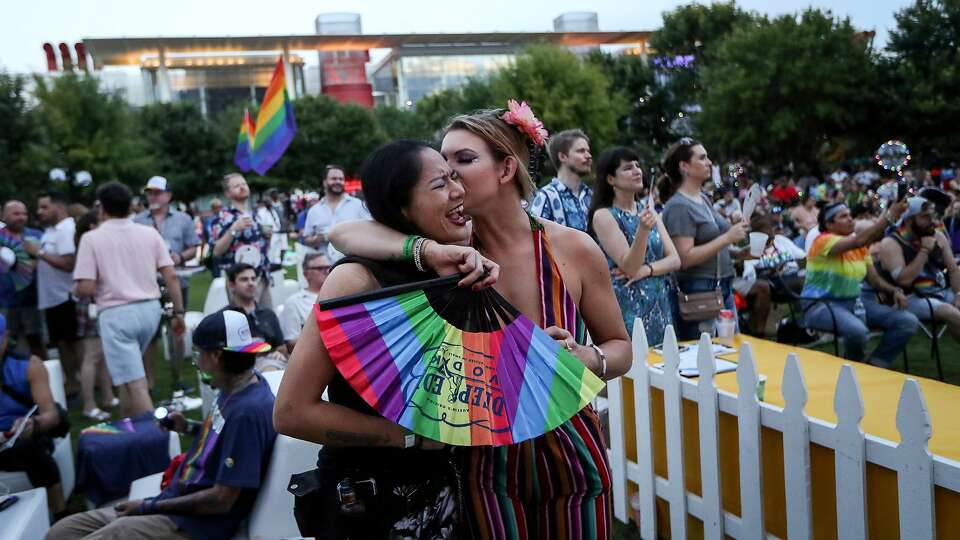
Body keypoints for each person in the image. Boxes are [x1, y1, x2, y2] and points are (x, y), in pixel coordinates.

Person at [323, 107, 632, 538]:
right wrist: (428, 253)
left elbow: (621, 347)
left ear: (507, 167)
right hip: (485, 459)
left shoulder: (573, 248)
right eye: (443, 165)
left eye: (462, 161)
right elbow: (344, 234)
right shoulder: (449, 252)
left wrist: (589, 358)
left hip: (573, 447)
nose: (449, 176)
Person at [47, 309, 277, 540]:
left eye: (199, 355)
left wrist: (148, 507)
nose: (197, 364)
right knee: (62, 531)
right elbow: (226, 437)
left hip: (193, 525)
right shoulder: (241, 382)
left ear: (217, 356)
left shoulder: (247, 412)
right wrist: (186, 426)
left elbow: (222, 500)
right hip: (173, 502)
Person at [73, 182, 185, 417]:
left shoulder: (92, 239)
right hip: (150, 311)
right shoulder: (149, 232)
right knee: (126, 378)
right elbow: (171, 276)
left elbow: (86, 286)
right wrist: (178, 312)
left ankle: (156, 440)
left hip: (117, 314)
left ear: (102, 208)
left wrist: (76, 289)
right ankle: (130, 428)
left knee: (135, 383)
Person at [802, 200, 918, 367]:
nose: (850, 219)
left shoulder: (859, 247)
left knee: (907, 322)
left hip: (854, 303)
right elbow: (860, 240)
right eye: (843, 216)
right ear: (829, 224)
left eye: (850, 215)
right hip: (821, 305)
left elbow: (874, 280)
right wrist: (891, 215)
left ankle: (877, 363)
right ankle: (854, 366)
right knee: (857, 331)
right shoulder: (822, 241)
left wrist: (894, 291)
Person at [658, 139, 751, 340]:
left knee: (729, 351)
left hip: (720, 286)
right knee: (706, 358)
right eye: (702, 157)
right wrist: (728, 238)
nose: (709, 162)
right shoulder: (679, 207)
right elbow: (684, 258)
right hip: (700, 291)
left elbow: (712, 244)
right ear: (684, 167)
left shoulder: (703, 199)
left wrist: (740, 253)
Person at [588, 146, 680, 346]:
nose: (637, 171)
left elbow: (675, 259)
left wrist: (646, 270)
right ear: (611, 179)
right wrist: (643, 231)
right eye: (628, 168)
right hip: (628, 305)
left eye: (638, 166)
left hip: (659, 302)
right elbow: (629, 267)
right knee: (634, 369)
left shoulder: (647, 211)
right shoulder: (604, 216)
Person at [135, 176, 201, 390]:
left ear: (168, 195)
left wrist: (180, 257)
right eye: (149, 192)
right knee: (149, 335)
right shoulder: (138, 221)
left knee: (177, 329)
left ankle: (178, 377)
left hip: (176, 281)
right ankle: (150, 382)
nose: (152, 196)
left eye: (156, 192)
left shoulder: (183, 219)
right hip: (147, 283)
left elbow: (194, 246)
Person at [0, 313, 67, 515]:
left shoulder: (29, 365)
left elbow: (51, 414)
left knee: (30, 447)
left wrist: (32, 424)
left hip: (22, 438)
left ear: (5, 337)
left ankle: (60, 511)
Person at [876, 197, 960, 345]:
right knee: (951, 313)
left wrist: (959, 295)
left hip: (940, 291)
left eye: (932, 215)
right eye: (925, 217)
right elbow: (904, 280)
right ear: (909, 220)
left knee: (953, 309)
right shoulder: (891, 243)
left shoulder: (937, 236)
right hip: (910, 298)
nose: (933, 221)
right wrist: (924, 250)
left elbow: (953, 269)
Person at [27, 191, 83, 395]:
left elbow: (69, 264)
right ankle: (72, 384)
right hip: (52, 298)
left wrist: (39, 253)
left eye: (44, 207)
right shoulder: (51, 231)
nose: (39, 212)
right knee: (61, 343)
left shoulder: (66, 230)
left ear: (58, 208)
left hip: (66, 296)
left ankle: (84, 383)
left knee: (74, 344)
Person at [73, 210, 117, 421]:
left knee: (102, 354)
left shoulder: (87, 243)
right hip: (91, 303)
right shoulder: (89, 244)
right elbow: (86, 282)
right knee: (92, 355)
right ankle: (89, 405)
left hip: (95, 302)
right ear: (92, 225)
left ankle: (108, 397)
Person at [735, 214, 807, 336]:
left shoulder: (781, 240)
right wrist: (769, 272)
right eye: (766, 229)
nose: (771, 231)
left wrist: (794, 264)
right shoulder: (752, 251)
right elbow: (750, 277)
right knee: (803, 282)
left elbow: (802, 256)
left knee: (808, 278)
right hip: (775, 284)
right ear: (758, 234)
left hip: (794, 275)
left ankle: (806, 325)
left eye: (770, 227)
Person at [209, 173, 273, 306]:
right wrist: (234, 229)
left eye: (244, 184)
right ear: (227, 193)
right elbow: (216, 251)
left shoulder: (256, 215)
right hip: (239, 281)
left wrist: (268, 237)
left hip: (261, 277)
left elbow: (264, 248)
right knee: (244, 322)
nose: (242, 187)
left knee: (266, 321)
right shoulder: (222, 218)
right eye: (237, 186)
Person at [0, 200, 45, 358]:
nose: (21, 217)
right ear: (3, 215)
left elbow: (47, 259)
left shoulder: (36, 235)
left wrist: (37, 260)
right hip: (4, 301)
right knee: (5, 344)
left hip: (33, 300)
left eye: (24, 214)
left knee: (37, 342)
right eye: (16, 213)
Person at [302, 165, 371, 262]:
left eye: (341, 179)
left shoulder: (358, 205)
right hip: (323, 266)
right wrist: (318, 239)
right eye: (334, 179)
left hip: (352, 263)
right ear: (324, 182)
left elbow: (370, 232)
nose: (338, 182)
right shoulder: (314, 210)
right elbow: (306, 239)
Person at [225, 263, 286, 372]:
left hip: (272, 362)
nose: (251, 283)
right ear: (232, 285)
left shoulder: (268, 314)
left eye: (253, 279)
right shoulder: (225, 317)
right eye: (244, 280)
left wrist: (278, 353)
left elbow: (282, 347)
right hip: (240, 368)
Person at [530, 128, 594, 231]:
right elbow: (535, 238)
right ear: (562, 156)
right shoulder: (546, 196)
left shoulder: (591, 196)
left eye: (588, 151)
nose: (588, 156)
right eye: (581, 151)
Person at [280, 252, 330, 353]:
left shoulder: (340, 294)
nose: (327, 271)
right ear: (306, 274)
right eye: (320, 268)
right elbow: (291, 344)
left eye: (329, 267)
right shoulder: (294, 302)